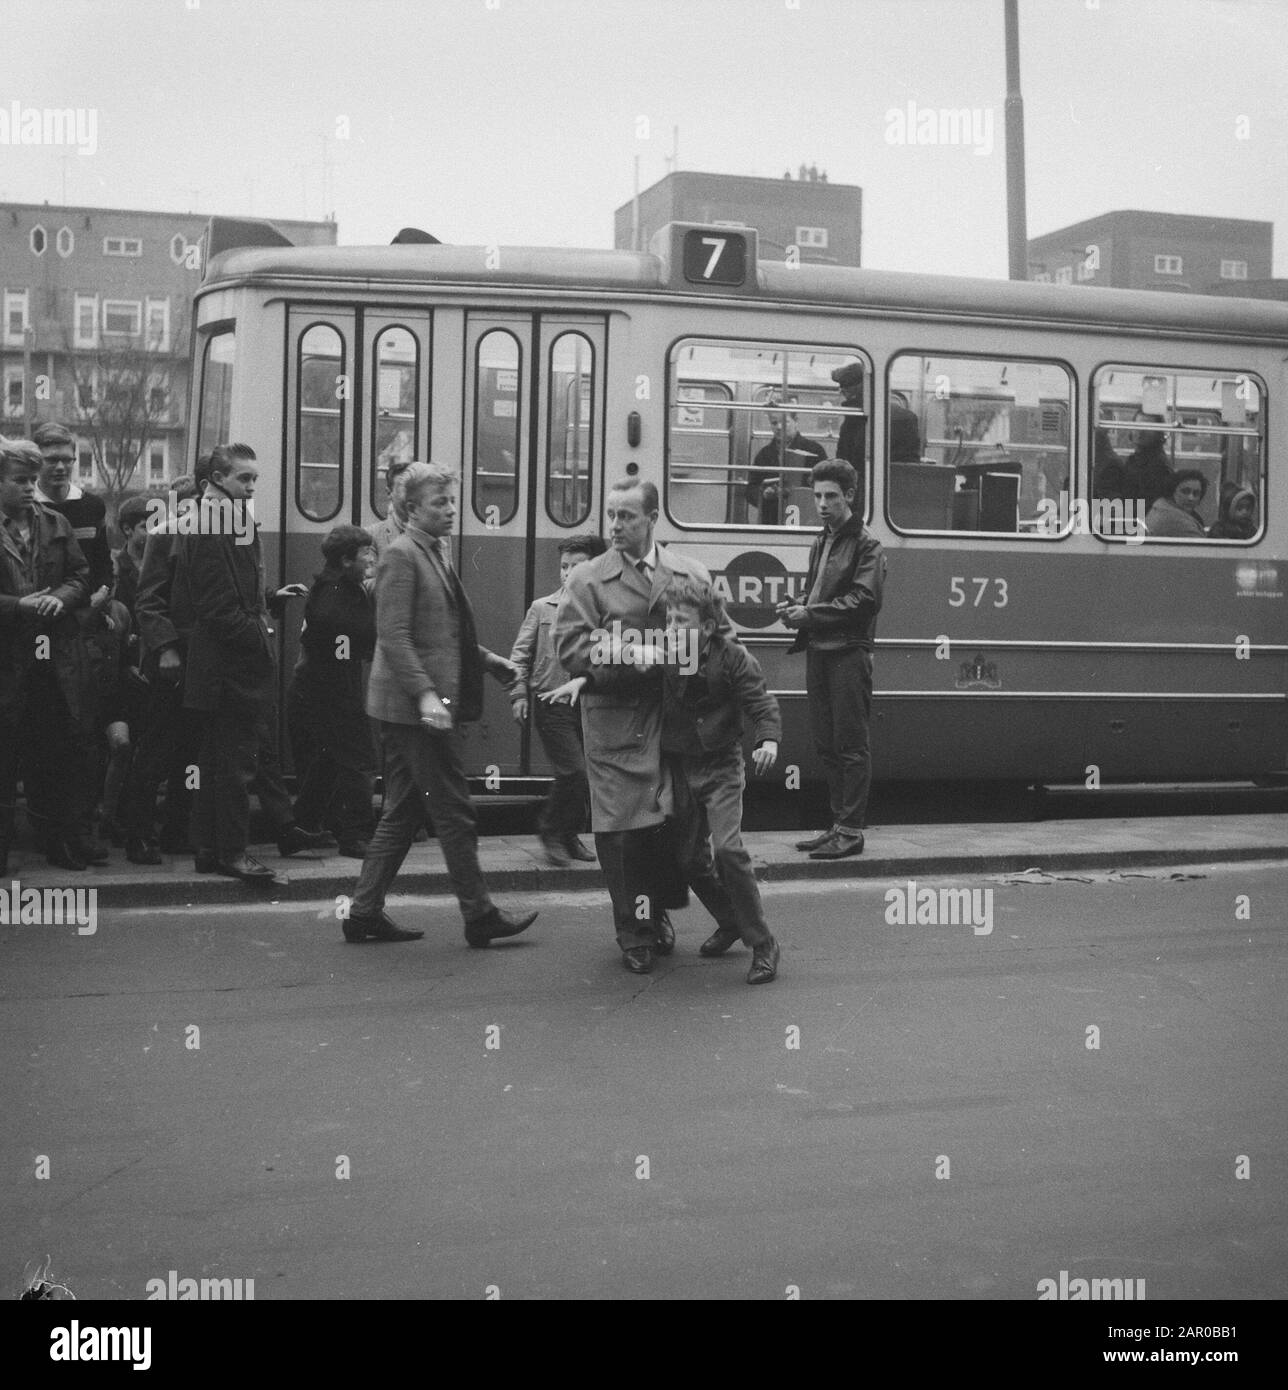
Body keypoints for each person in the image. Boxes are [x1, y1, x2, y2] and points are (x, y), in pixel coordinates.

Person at [346, 461, 538, 946]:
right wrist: (427, 695)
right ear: (411, 509)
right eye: (441, 502)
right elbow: (393, 636)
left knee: (404, 811)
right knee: (453, 810)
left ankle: (363, 912)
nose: (452, 510)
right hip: (414, 711)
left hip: (418, 705)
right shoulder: (401, 556)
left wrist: (490, 660)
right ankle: (479, 915)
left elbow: (441, 635)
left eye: (452, 501)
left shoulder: (434, 551)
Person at [554, 477, 733, 974]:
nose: (614, 525)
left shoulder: (687, 571)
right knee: (621, 837)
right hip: (617, 724)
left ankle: (658, 916)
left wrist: (695, 661)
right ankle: (634, 933)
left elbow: (723, 639)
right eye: (610, 515)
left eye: (626, 516)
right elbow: (570, 649)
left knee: (670, 831)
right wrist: (632, 654)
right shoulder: (588, 579)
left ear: (652, 519)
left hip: (676, 725)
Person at [181, 443, 316, 885]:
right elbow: (217, 609)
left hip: (226, 663)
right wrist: (262, 639)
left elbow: (235, 596)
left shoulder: (224, 519)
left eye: (255, 479)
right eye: (244, 478)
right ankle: (233, 855)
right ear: (218, 479)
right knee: (236, 764)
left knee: (218, 759)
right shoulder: (212, 524)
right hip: (231, 667)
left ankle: (207, 848)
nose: (253, 486)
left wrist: (268, 601)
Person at [660, 576, 782, 985]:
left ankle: (762, 942)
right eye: (670, 620)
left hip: (722, 766)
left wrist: (768, 740)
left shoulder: (733, 657)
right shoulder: (664, 655)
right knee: (688, 860)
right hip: (680, 766)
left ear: (708, 628)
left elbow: (761, 703)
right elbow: (619, 676)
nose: (673, 629)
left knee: (728, 852)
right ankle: (730, 921)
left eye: (682, 622)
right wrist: (584, 678)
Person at [776, 459, 886, 860]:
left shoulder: (866, 544)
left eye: (831, 496)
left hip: (848, 653)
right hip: (821, 651)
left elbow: (865, 600)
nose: (821, 504)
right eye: (817, 496)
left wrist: (811, 614)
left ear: (850, 496)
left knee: (851, 744)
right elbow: (819, 594)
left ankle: (851, 831)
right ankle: (838, 826)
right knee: (827, 744)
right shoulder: (823, 540)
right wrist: (799, 606)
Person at [0, 437, 92, 873]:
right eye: (20, 480)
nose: (29, 488)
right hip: (6, 660)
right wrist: (17, 605)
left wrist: (62, 597)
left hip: (51, 659)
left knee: (57, 755)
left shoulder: (54, 523)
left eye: (31, 480)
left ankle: (61, 843)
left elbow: (80, 574)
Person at [509, 532, 606, 867]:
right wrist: (519, 693)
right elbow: (519, 657)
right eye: (564, 566)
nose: (567, 573)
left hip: (590, 704)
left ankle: (569, 836)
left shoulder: (603, 612)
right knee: (573, 772)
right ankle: (550, 831)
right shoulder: (542, 608)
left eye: (576, 567)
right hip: (551, 702)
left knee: (586, 775)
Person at [287, 525, 378, 859]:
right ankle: (355, 837)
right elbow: (339, 635)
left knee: (328, 761)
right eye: (366, 552)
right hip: (332, 692)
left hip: (326, 689)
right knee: (360, 761)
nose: (371, 558)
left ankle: (299, 828)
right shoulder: (334, 595)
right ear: (345, 559)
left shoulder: (339, 588)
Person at [749, 402, 826, 524]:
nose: (779, 427)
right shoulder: (764, 454)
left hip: (806, 517)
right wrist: (763, 494)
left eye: (784, 422)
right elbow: (751, 488)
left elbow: (826, 485)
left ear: (796, 421)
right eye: (774, 423)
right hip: (772, 518)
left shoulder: (815, 451)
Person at [831, 363, 867, 510]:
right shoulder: (856, 418)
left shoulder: (854, 420)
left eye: (844, 391)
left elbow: (846, 461)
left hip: (857, 493)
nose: (842, 394)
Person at [1123, 416, 1173, 511]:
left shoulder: (1158, 466)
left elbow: (1151, 505)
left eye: (1147, 428)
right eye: (1137, 426)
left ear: (1158, 433)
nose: (1140, 432)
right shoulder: (1136, 459)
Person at [1143, 470, 1208, 538]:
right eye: (1185, 491)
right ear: (1172, 491)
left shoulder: (1159, 508)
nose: (1191, 498)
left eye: (1196, 493)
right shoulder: (1177, 521)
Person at [371, 458, 412, 556]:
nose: (412, 496)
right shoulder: (372, 536)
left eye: (416, 490)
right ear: (389, 493)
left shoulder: (437, 535)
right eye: (404, 490)